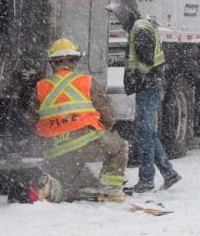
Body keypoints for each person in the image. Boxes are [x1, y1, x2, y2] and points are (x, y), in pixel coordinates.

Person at [31, 38, 129, 203]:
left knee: (67, 187)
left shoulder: (41, 87)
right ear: (75, 61)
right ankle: (111, 190)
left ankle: (50, 186)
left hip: (53, 149)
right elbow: (109, 114)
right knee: (120, 146)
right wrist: (101, 130)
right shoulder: (86, 82)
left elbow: (32, 119)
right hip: (85, 142)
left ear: (52, 63)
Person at [106, 0, 181, 193]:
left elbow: (146, 62)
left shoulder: (140, 30)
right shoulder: (140, 27)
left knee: (144, 134)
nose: (118, 19)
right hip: (148, 87)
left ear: (128, 11)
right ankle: (168, 173)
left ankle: (147, 179)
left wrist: (135, 77)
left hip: (149, 88)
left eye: (119, 14)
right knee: (147, 132)